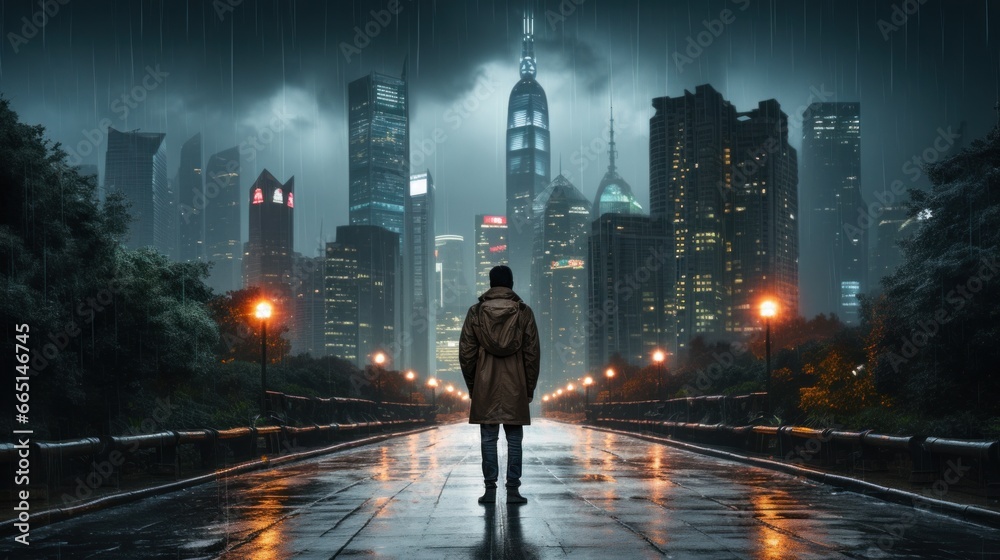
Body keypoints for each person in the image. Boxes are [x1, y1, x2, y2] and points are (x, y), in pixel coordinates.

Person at [460, 265, 540, 504]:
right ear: (511, 284)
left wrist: (475, 386)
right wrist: (529, 387)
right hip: (516, 384)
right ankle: (513, 490)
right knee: (514, 439)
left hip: (486, 384)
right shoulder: (524, 312)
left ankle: (490, 489)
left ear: (491, 283)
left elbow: (466, 354)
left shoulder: (475, 312)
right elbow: (532, 354)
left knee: (488, 438)